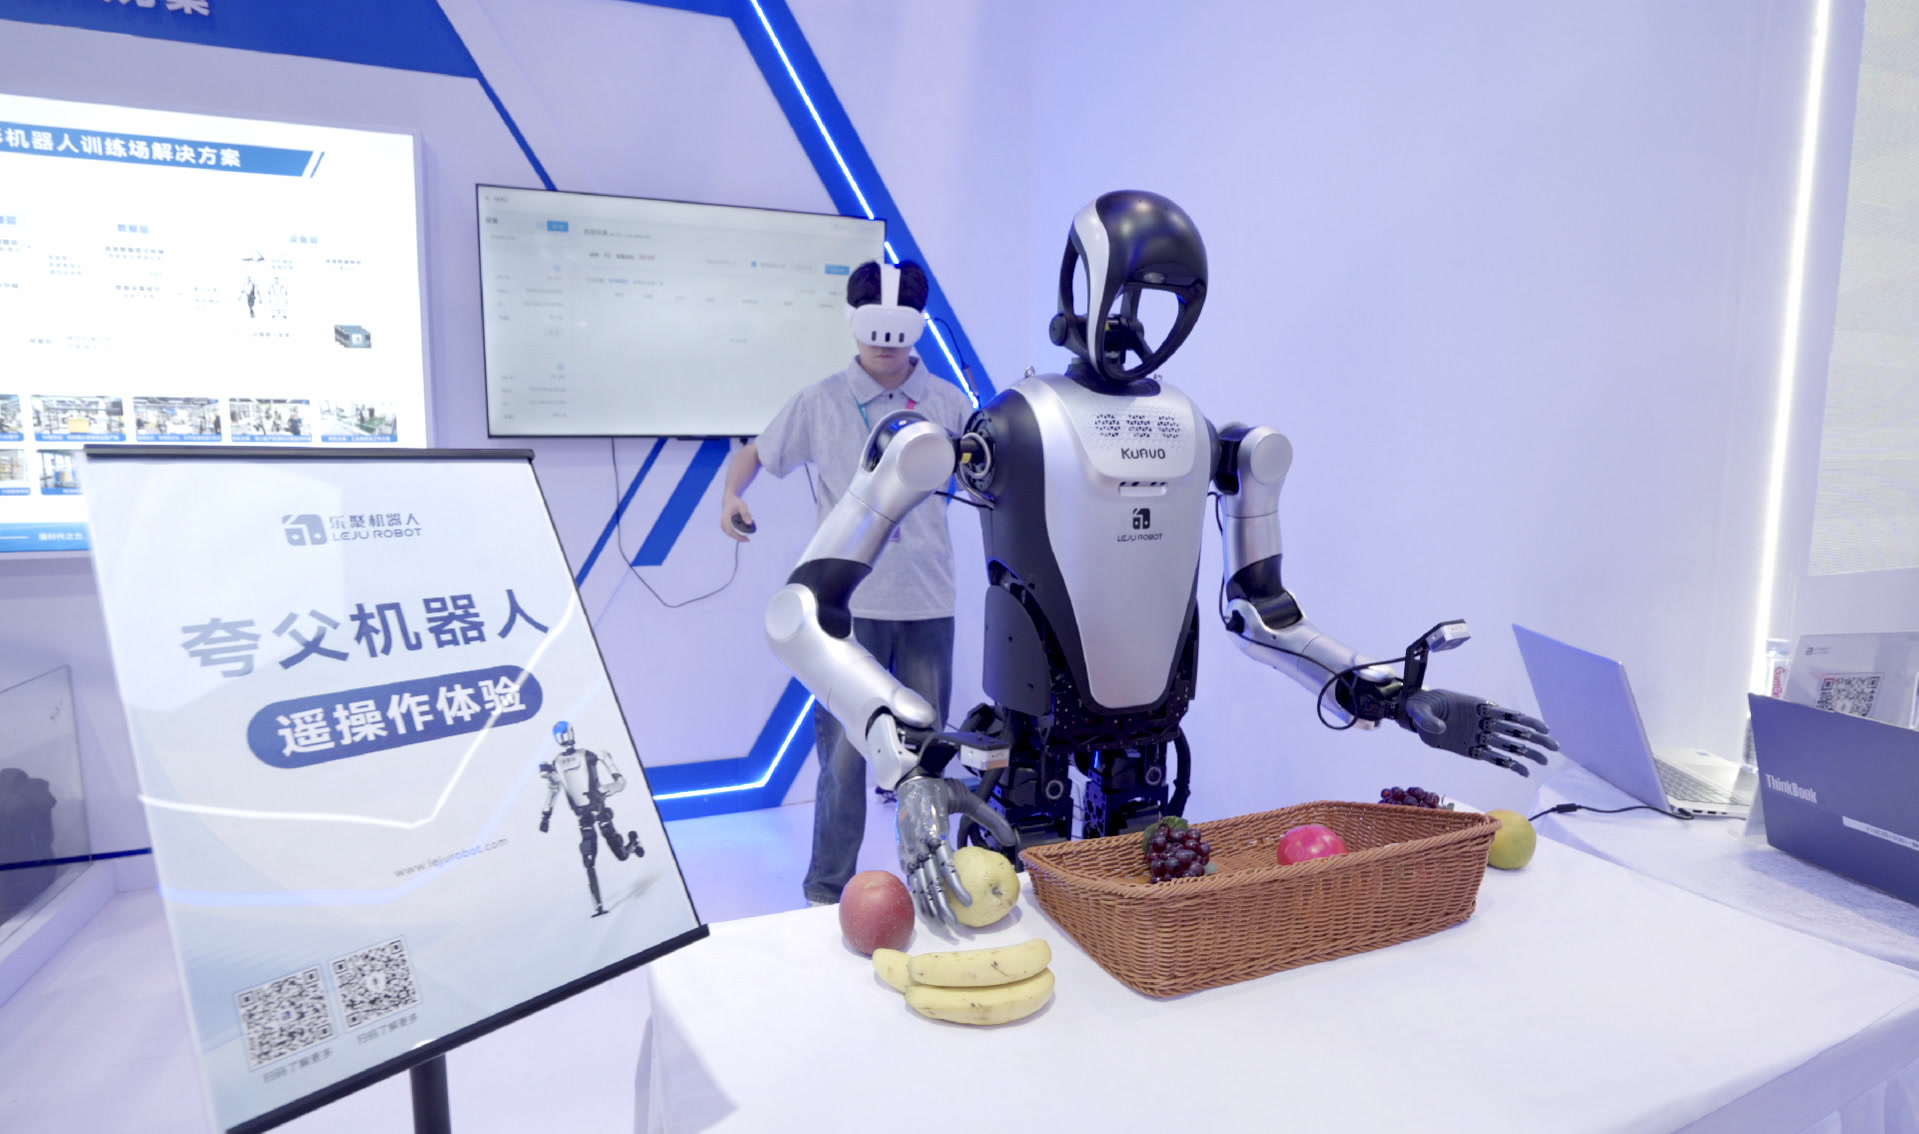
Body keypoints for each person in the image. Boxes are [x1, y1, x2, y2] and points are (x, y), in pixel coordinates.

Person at [719, 259, 973, 906]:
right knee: (841, 758)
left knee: (925, 752)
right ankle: (827, 890)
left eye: (897, 333)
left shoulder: (949, 403)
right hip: (842, 609)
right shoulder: (820, 401)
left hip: (926, 598)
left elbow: (989, 476)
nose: (884, 347)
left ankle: (933, 880)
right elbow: (756, 452)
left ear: (916, 326)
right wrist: (731, 495)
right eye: (872, 332)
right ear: (853, 323)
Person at [538, 720, 645, 917]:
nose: (564, 737)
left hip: (599, 809)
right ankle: (598, 906)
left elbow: (621, 783)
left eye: (566, 733)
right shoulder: (557, 763)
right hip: (583, 816)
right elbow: (553, 790)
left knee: (621, 855)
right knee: (588, 858)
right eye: (561, 734)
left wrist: (604, 789)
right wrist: (546, 815)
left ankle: (633, 843)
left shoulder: (588, 755)